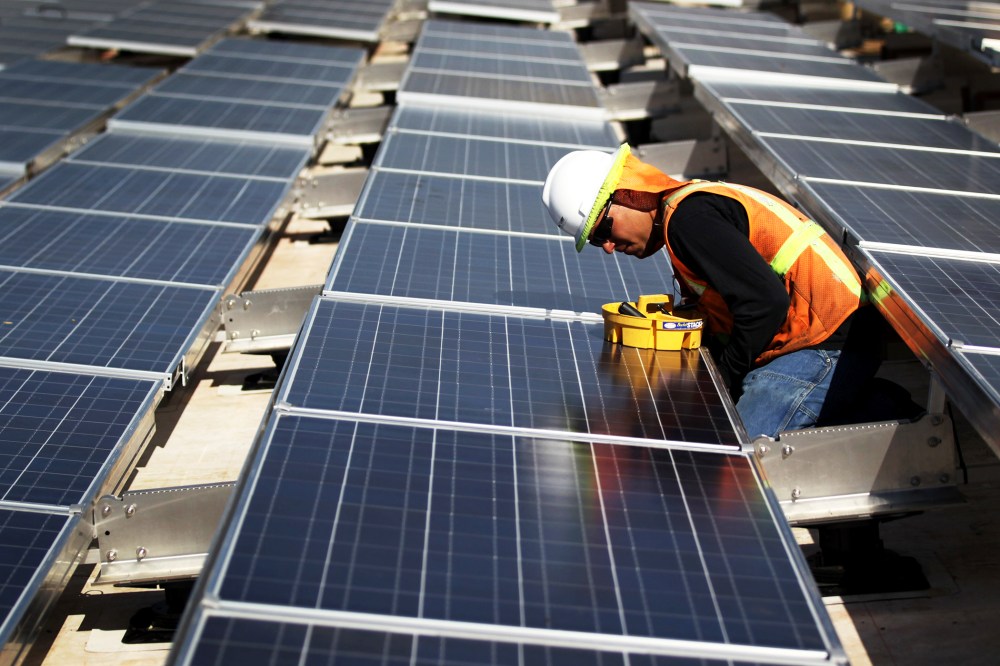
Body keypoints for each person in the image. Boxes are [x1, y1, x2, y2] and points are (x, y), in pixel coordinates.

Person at [542, 143, 884, 439]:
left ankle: (877, 410)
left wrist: (719, 382)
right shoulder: (688, 210)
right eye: (598, 241)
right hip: (818, 336)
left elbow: (764, 304)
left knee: (736, 459)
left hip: (829, 345)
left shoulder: (689, 220)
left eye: (604, 230)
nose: (609, 247)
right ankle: (860, 402)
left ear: (631, 194)